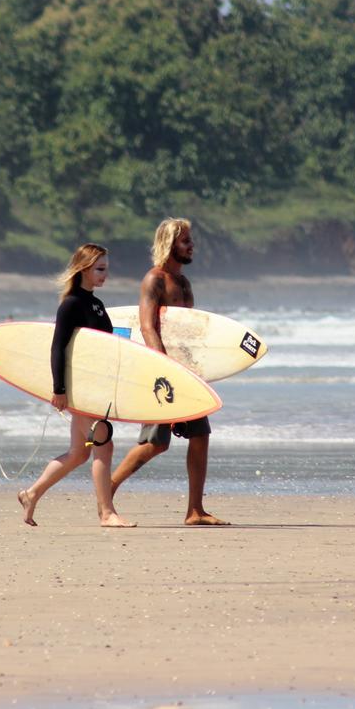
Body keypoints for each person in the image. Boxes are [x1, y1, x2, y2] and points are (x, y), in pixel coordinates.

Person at [111, 218, 228, 525]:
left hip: (185, 373)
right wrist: (166, 371)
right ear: (170, 244)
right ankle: (104, 492)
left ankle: (195, 510)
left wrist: (197, 370)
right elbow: (148, 327)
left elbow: (188, 333)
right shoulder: (155, 280)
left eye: (191, 240)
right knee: (155, 443)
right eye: (186, 241)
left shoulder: (186, 284)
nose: (192, 246)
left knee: (200, 435)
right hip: (161, 374)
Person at [17, 243, 135, 529]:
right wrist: (59, 390)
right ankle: (107, 513)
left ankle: (31, 494)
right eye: (100, 269)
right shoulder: (71, 303)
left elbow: (103, 344)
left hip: (94, 386)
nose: (105, 274)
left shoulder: (95, 303)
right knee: (103, 443)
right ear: (84, 268)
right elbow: (57, 347)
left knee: (79, 453)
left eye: (106, 269)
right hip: (78, 388)